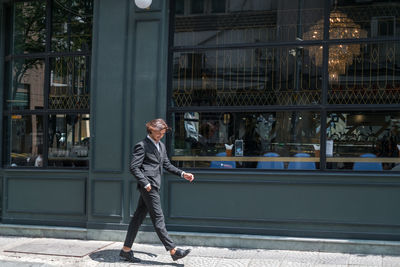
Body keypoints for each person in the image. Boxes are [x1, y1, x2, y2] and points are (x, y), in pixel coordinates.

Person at [120, 118, 195, 263]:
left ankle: (126, 251)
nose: (161, 135)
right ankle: (173, 251)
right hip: (149, 187)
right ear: (151, 130)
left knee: (137, 219)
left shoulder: (161, 145)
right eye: (159, 132)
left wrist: (182, 173)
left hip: (154, 184)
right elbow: (133, 167)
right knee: (158, 218)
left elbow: (166, 164)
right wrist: (145, 183)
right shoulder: (142, 146)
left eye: (163, 133)